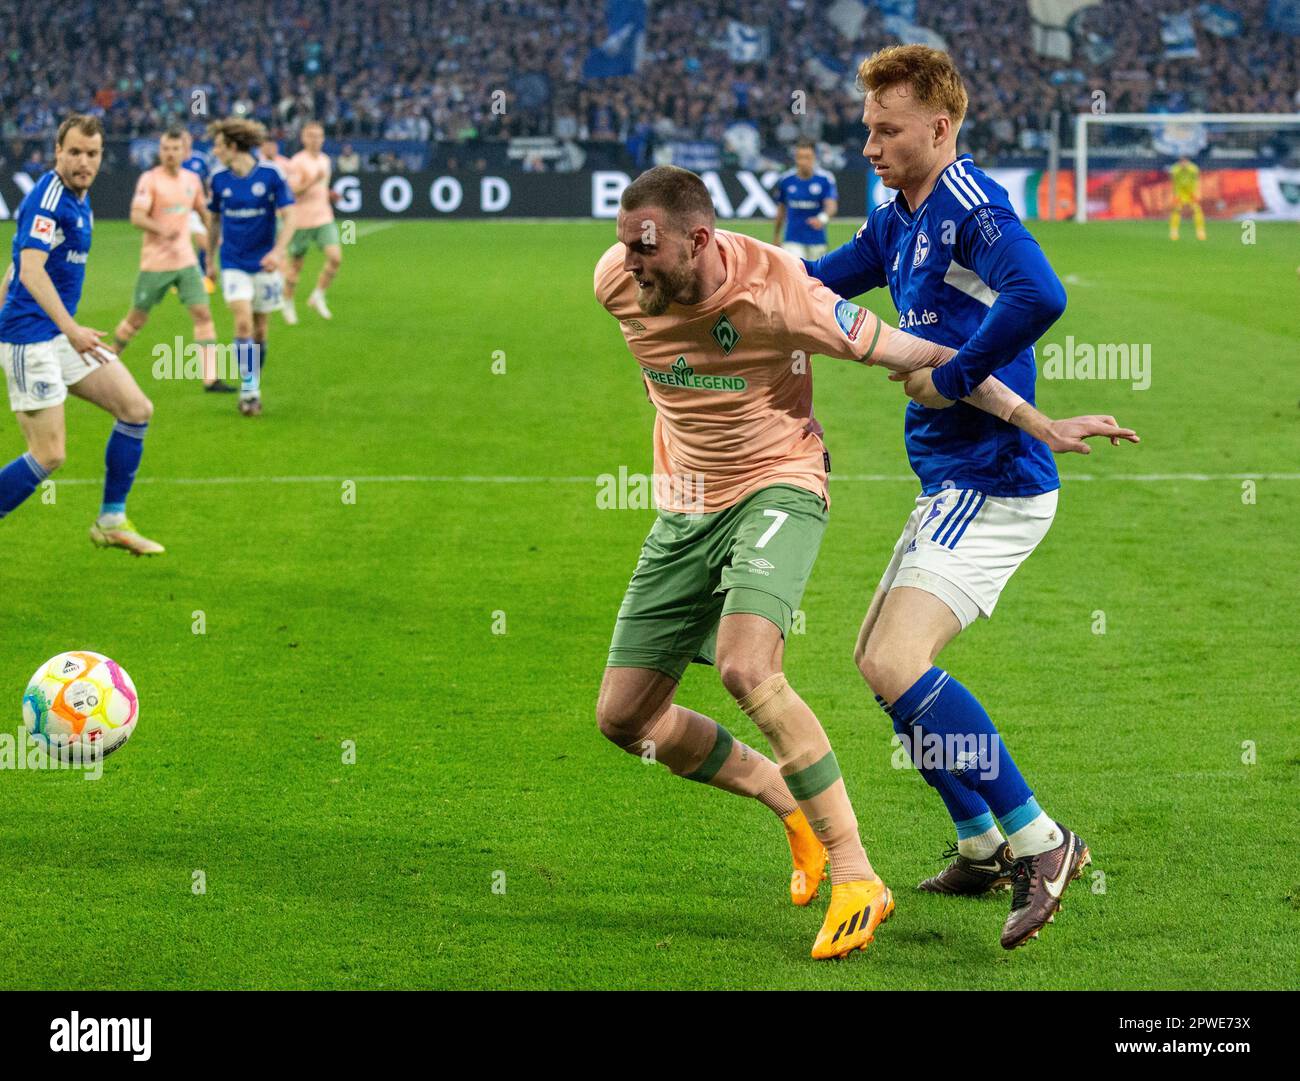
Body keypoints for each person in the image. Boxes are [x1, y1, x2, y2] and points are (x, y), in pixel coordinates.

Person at [593, 164, 1116, 959]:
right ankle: (832, 809)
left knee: (755, 667)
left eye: (644, 248)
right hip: (684, 504)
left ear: (697, 240)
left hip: (781, 484)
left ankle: (876, 870)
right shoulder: (614, 278)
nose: (629, 263)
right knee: (626, 719)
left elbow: (926, 347)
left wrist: (1035, 419)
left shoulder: (782, 295)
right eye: (624, 246)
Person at [804, 44, 1139, 949]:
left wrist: (954, 378)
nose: (867, 144)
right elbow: (820, 280)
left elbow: (1042, 293)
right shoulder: (899, 212)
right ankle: (982, 843)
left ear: (940, 128)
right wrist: (735, 278)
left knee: (893, 662)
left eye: (886, 129)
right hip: (954, 476)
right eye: (865, 127)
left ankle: (1042, 839)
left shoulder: (971, 207)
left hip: (993, 481)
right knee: (876, 661)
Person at [0, 115, 164, 554]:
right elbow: (31, 270)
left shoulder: (80, 199)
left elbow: (17, 263)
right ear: (57, 151)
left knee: (135, 408)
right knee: (49, 454)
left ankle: (111, 520)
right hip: (31, 338)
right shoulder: (48, 198)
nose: (83, 162)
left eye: (92, 154)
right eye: (74, 152)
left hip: (58, 335)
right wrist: (70, 329)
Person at [111, 126, 230, 393]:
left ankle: (211, 378)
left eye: (175, 149)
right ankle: (108, 360)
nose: (170, 154)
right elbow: (136, 217)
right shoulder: (150, 179)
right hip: (155, 264)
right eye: (165, 149)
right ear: (160, 151)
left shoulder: (191, 180)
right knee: (136, 320)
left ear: (185, 152)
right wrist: (162, 229)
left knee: (202, 313)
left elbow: (205, 213)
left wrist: (211, 257)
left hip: (186, 262)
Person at [206, 118, 296, 416]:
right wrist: (209, 258)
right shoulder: (218, 180)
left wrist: (278, 253)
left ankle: (252, 380)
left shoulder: (271, 175)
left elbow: (291, 218)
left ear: (232, 147)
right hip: (232, 262)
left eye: (218, 146)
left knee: (260, 330)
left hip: (264, 264)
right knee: (242, 323)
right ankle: (249, 389)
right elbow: (215, 220)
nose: (215, 151)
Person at [282, 121, 341, 323]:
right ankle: (288, 303)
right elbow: (292, 191)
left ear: (323, 138)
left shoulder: (325, 160)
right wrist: (313, 181)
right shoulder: (297, 162)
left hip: (324, 216)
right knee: (295, 268)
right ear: (303, 138)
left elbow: (321, 187)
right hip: (301, 220)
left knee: (335, 258)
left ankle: (318, 295)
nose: (315, 140)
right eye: (311, 135)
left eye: (318, 136)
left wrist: (329, 193)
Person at [771, 139, 837, 259]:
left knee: (815, 277)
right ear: (795, 158)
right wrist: (776, 236)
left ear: (814, 157)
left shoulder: (825, 179)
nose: (803, 161)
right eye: (800, 157)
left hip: (817, 241)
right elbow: (781, 210)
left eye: (807, 157)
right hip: (792, 240)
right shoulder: (786, 180)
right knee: (796, 274)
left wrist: (822, 219)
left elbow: (831, 206)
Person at [1169, 156, 1206, 241]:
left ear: (1188, 161)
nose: (1183, 163)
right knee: (1176, 210)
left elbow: (1196, 176)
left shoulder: (1193, 168)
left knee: (1197, 210)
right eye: (1181, 161)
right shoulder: (1175, 168)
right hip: (1179, 193)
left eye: (1185, 161)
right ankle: (1174, 232)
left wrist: (1196, 193)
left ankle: (1200, 232)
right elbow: (1171, 175)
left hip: (1191, 193)